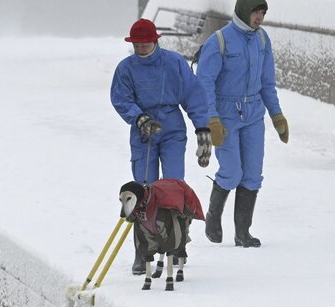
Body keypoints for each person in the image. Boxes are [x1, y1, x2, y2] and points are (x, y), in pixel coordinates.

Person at [111, 18, 212, 274]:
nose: (141, 47)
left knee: (174, 188)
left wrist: (202, 128)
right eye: (137, 44)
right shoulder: (126, 69)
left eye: (145, 43)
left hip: (171, 128)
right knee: (143, 190)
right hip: (143, 132)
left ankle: (177, 246)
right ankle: (142, 251)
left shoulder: (174, 62)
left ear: (155, 41)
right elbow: (121, 99)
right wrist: (139, 118)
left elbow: (193, 94)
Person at [195, 0, 288, 248]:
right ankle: (213, 217)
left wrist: (277, 115)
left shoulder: (262, 40)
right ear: (244, 11)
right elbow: (204, 83)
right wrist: (212, 119)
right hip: (225, 115)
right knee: (232, 171)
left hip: (253, 114)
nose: (260, 17)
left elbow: (268, 82)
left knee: (253, 174)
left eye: (263, 13)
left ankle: (243, 233)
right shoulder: (220, 41)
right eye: (256, 12)